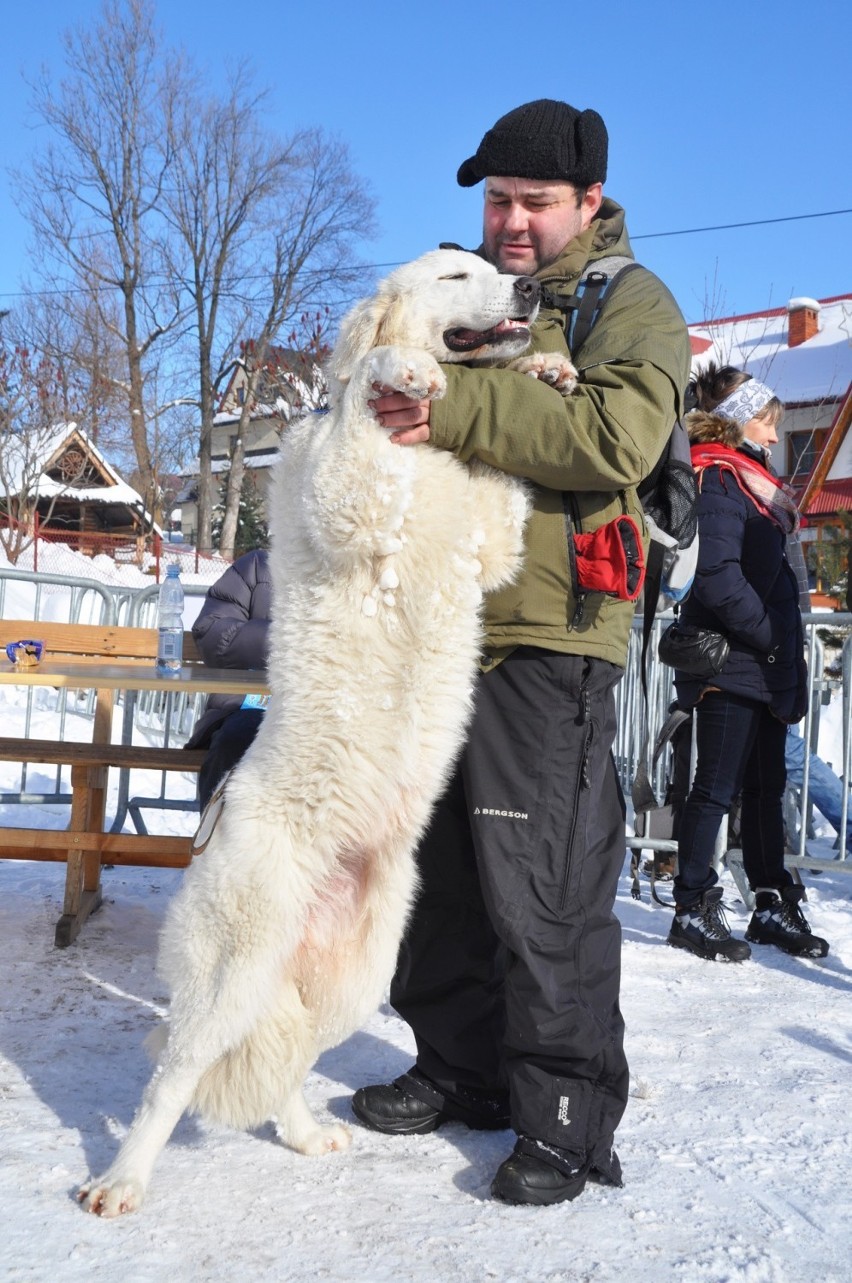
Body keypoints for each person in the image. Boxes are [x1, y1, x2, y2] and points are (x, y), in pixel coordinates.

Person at [350, 99, 691, 1206]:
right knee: (439, 877)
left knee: (542, 889)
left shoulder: (630, 305)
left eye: (535, 203)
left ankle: (563, 1113)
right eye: (495, 200)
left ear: (588, 202)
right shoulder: (468, 292)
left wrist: (447, 406)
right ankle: (459, 1066)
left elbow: (613, 439)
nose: (509, 223)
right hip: (437, 625)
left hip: (551, 634)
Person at [668, 363, 829, 962]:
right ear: (736, 422)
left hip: (763, 663)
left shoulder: (756, 485)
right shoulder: (720, 481)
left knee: (767, 788)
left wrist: (779, 646)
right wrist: (769, 636)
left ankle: (769, 903)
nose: (772, 431)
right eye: (765, 420)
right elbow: (715, 576)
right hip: (732, 662)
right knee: (714, 790)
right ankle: (692, 907)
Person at [184, 548, 271, 811]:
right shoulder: (257, 567)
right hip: (249, 708)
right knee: (238, 738)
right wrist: (286, 637)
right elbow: (210, 631)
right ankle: (215, 844)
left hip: (328, 714)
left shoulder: (356, 575)